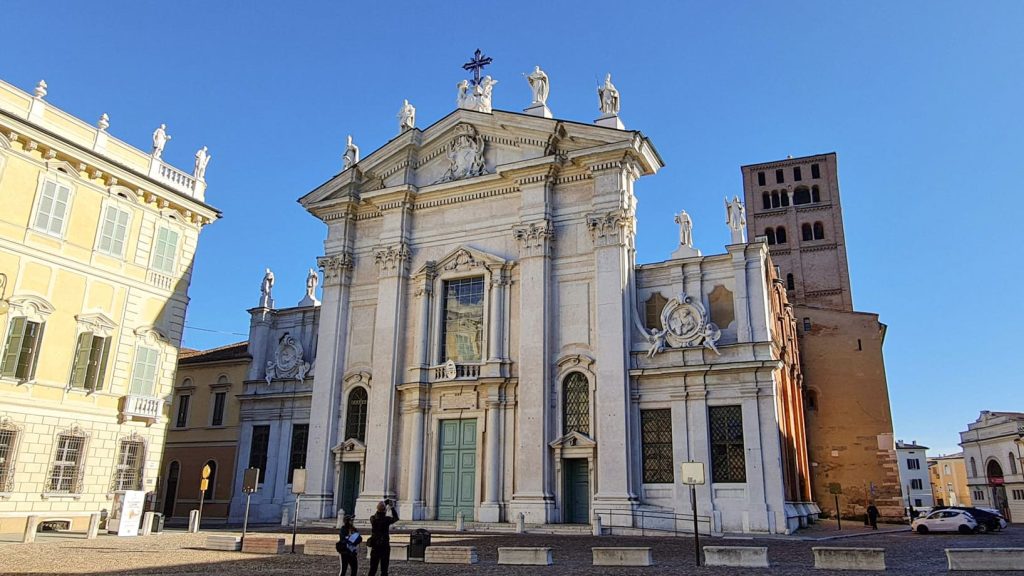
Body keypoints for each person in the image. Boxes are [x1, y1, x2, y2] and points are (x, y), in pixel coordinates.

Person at [368, 499, 399, 576]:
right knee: (384, 569)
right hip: (384, 545)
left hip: (375, 545)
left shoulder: (373, 519)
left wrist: (382, 505)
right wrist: (391, 507)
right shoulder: (387, 519)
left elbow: (377, 513)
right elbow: (396, 518)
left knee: (373, 568)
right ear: (385, 510)